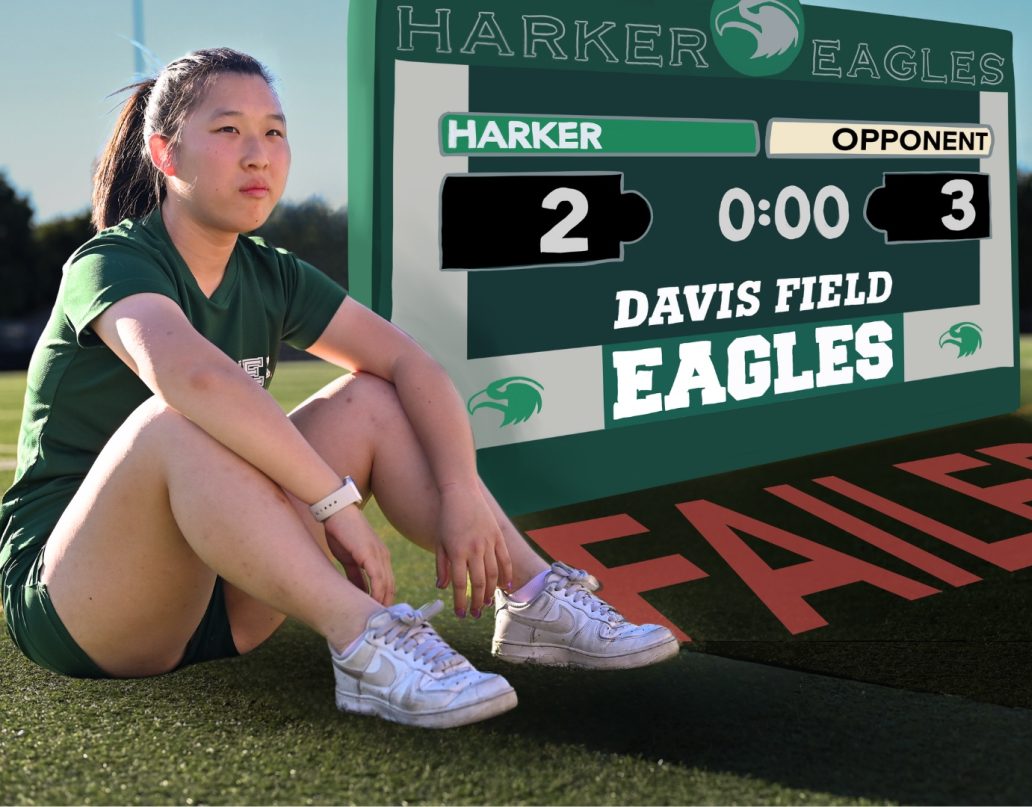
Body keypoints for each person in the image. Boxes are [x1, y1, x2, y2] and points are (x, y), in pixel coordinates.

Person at [0, 49, 678, 730]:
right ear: (166, 155)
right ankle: (366, 638)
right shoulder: (111, 262)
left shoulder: (272, 273)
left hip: (224, 596)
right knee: (175, 420)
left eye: (274, 131)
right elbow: (193, 378)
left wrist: (464, 489)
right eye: (229, 130)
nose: (259, 154)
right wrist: (335, 503)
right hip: (82, 603)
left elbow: (412, 363)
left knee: (375, 396)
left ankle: (532, 596)